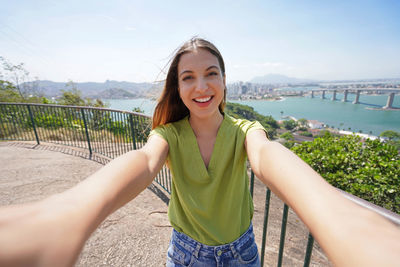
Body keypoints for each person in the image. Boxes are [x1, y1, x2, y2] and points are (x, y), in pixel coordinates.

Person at [0, 37, 399, 267]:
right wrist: (68, 212)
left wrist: (343, 218)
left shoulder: (245, 131)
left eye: (211, 73)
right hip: (188, 253)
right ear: (178, 87)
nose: (201, 85)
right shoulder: (168, 134)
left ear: (225, 81)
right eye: (188, 77)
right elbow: (142, 163)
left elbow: (268, 157)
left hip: (242, 251)